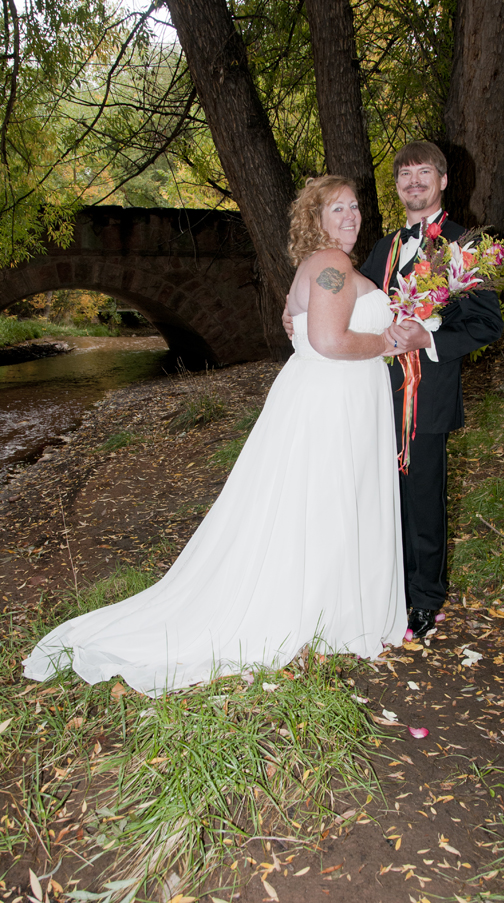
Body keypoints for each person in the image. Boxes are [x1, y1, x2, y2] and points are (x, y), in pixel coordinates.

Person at [23, 176, 407, 697]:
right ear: (315, 218)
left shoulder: (317, 268)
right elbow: (328, 339)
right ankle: (325, 614)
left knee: (314, 504)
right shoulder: (334, 266)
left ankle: (327, 608)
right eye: (336, 208)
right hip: (334, 403)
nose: (350, 216)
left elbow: (298, 322)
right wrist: (387, 339)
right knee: (328, 501)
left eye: (355, 206)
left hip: (324, 397)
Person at [361, 141, 503, 637]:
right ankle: (388, 587)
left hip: (428, 394)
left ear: (443, 181)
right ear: (397, 185)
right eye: (405, 173)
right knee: (381, 495)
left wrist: (430, 336)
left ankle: (424, 597)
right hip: (375, 393)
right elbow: (356, 306)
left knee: (422, 497)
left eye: (424, 172)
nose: (414, 181)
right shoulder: (384, 248)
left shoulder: (468, 246)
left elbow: (487, 324)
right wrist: (304, 316)